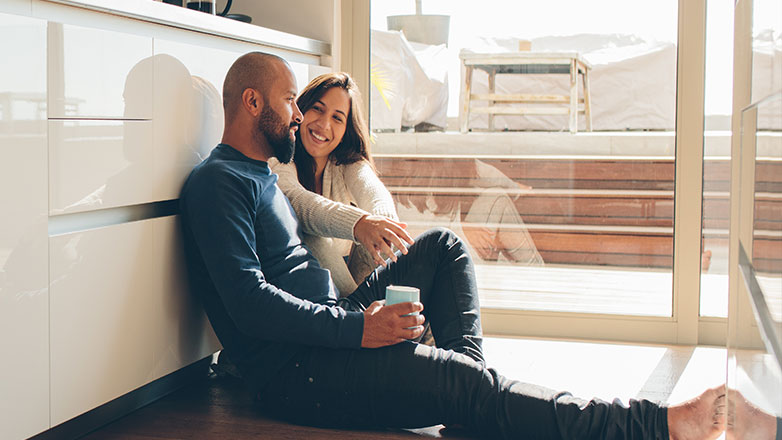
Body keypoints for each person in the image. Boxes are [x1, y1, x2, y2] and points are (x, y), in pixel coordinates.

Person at [179, 51, 727, 439]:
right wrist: (359, 329)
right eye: (290, 101)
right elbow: (249, 306)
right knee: (461, 383)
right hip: (300, 374)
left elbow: (352, 198)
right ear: (253, 103)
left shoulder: (263, 175)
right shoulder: (217, 183)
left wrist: (356, 308)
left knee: (443, 246)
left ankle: (463, 393)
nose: (301, 114)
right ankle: (655, 426)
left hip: (333, 326)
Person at [269, 72, 400, 296]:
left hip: (349, 277)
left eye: (337, 118)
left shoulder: (347, 163)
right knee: (313, 234)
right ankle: (361, 316)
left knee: (443, 243)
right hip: (301, 284)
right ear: (301, 110)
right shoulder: (280, 159)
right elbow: (298, 201)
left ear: (345, 130)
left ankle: (374, 314)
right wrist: (360, 223)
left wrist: (384, 224)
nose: (323, 124)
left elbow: (373, 192)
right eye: (318, 109)